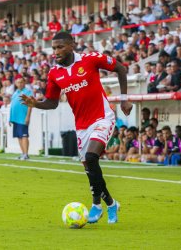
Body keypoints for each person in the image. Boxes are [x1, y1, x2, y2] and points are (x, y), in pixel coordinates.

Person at [21, 32, 132, 224]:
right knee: (89, 168)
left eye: (60, 47)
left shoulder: (90, 59)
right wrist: (36, 104)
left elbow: (120, 68)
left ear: (72, 45)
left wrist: (124, 99)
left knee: (91, 157)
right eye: (54, 48)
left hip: (102, 117)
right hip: (81, 126)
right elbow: (52, 103)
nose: (56, 52)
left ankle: (96, 204)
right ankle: (111, 203)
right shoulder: (54, 73)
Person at [10, 77, 32, 160]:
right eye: (18, 82)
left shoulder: (27, 92)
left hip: (22, 117)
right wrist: (10, 118)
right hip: (15, 118)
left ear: (24, 83)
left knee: (24, 135)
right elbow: (12, 106)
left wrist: (28, 116)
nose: (20, 84)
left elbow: (30, 105)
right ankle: (23, 153)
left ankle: (26, 154)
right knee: (19, 136)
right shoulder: (15, 93)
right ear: (16, 84)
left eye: (21, 82)